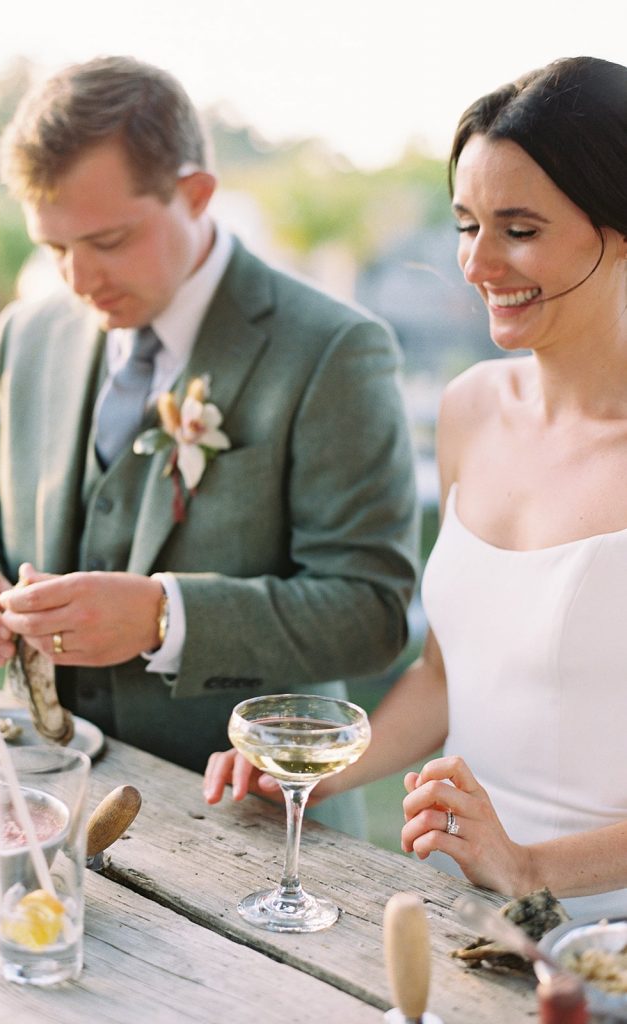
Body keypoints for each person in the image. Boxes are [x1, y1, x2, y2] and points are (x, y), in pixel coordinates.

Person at [0, 55, 419, 834]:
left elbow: (373, 610)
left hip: (245, 829)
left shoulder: (333, 349)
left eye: (109, 239)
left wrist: (166, 617)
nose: (78, 278)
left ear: (196, 194)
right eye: (54, 249)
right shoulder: (28, 333)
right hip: (33, 807)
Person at [204, 55, 627, 915]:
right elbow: (446, 674)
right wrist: (308, 773)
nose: (476, 265)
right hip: (451, 915)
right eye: (466, 224)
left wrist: (528, 866)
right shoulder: (469, 409)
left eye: (519, 228)